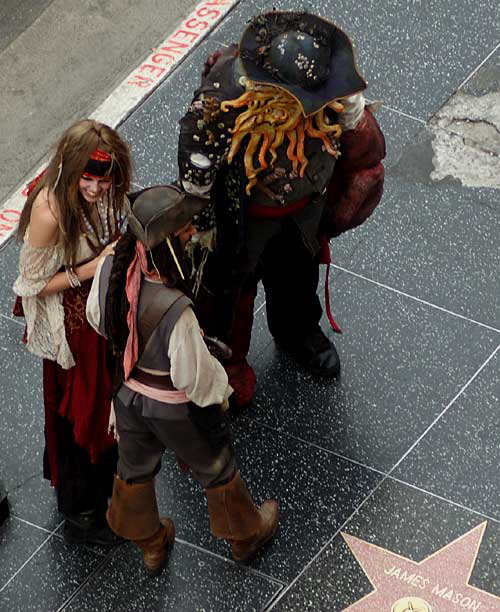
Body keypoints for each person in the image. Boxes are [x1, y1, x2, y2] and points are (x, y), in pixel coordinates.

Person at [177, 11, 386, 407]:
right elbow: (197, 165)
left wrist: (355, 118)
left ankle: (297, 332)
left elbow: (367, 157)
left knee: (297, 274)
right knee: (230, 293)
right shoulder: (223, 95)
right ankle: (228, 365)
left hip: (304, 209)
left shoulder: (330, 93)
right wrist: (203, 224)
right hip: (241, 219)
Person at [86, 185, 279, 575]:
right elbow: (194, 378)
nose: (192, 231)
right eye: (185, 229)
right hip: (175, 410)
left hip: (126, 397)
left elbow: (97, 319)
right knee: (217, 468)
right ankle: (245, 535)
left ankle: (151, 545)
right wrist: (221, 393)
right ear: (169, 244)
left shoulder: (110, 267)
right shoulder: (177, 310)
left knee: (133, 470)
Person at [13, 119, 132, 545]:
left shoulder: (101, 187)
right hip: (71, 324)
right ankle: (81, 508)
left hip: (102, 312)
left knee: (105, 400)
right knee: (79, 410)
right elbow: (31, 285)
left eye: (105, 180)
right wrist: (92, 268)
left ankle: (103, 477)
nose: (98, 190)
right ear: (70, 167)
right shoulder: (50, 212)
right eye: (90, 179)